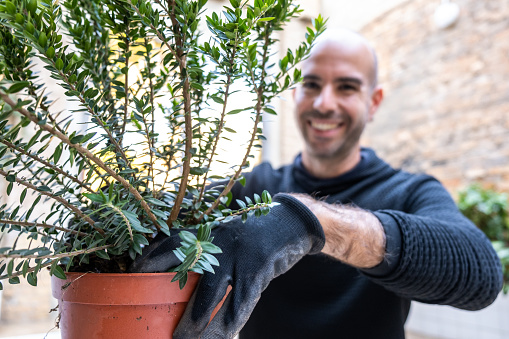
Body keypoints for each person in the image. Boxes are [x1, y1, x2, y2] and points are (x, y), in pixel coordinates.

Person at [131, 29, 503, 339]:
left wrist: (311, 222)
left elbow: (482, 275)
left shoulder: (409, 191)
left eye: (346, 87)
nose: (325, 103)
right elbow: (153, 217)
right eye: (311, 84)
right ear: (294, 94)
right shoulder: (251, 190)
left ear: (373, 102)